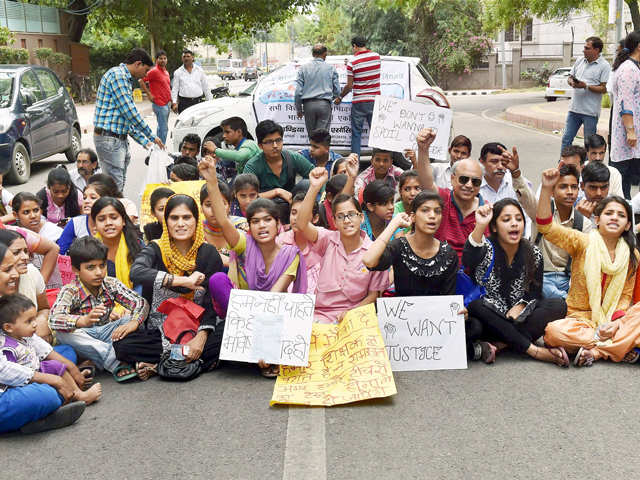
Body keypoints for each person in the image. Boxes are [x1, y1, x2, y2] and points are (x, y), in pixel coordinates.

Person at [199, 158, 306, 352]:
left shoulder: (290, 254)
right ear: (249, 226)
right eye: (255, 221)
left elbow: (275, 296)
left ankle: (253, 346)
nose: (262, 225)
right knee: (217, 280)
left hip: (273, 311)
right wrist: (212, 182)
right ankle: (246, 342)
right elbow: (223, 221)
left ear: (278, 224)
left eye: (267, 220)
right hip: (243, 314)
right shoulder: (244, 245)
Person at [113, 194, 224, 379]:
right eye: (174, 218)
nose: (180, 223)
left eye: (186, 217)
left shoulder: (207, 253)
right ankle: (189, 360)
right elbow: (137, 272)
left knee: (227, 335)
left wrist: (201, 337)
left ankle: (162, 363)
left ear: (196, 221)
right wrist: (181, 281)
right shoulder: (155, 249)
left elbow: (210, 304)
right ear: (166, 222)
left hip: (198, 329)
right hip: (162, 331)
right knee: (123, 345)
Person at [539, 169, 640, 366]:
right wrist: (545, 188)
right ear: (597, 219)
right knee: (553, 332)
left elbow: (626, 297)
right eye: (608, 213)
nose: (614, 218)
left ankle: (596, 352)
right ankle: (620, 346)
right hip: (581, 319)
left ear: (628, 225)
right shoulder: (582, 242)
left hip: (615, 321)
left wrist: (615, 323)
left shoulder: (632, 254)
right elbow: (546, 227)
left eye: (620, 215)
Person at [464, 199, 569, 366]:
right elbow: (468, 259)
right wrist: (480, 225)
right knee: (476, 309)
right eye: (506, 220)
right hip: (489, 318)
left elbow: (535, 292)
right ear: (494, 227)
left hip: (519, 319)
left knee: (558, 305)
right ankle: (535, 351)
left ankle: (502, 345)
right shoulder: (485, 248)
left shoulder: (533, 253)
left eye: (518, 219)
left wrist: (521, 306)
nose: (514, 224)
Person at [297, 167, 390, 324]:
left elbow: (373, 296)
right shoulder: (327, 240)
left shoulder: (373, 251)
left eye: (351, 215)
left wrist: (350, 314)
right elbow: (301, 224)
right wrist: (314, 187)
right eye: (341, 216)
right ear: (334, 221)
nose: (347, 220)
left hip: (356, 316)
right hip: (320, 316)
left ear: (361, 218)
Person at [49, 237, 149, 378]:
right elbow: (53, 319)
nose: (99, 272)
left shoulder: (110, 284)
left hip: (106, 334)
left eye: (102, 266)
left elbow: (140, 302)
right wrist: (82, 321)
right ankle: (115, 360)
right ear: (76, 270)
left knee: (130, 320)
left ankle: (98, 360)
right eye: (91, 267)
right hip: (82, 338)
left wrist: (134, 322)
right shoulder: (70, 290)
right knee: (62, 333)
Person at [0, 292, 89, 434]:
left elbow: (36, 343)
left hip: (30, 369)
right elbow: (5, 372)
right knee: (47, 395)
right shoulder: (8, 346)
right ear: (8, 327)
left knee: (66, 352)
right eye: (8, 269)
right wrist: (54, 379)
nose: (16, 273)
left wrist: (71, 367)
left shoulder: (16, 329)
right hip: (9, 389)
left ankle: (62, 392)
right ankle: (58, 400)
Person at [94, 48, 164, 191]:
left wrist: (146, 142)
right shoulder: (117, 75)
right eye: (145, 71)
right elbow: (130, 112)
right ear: (138, 64)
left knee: (118, 185)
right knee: (114, 187)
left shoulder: (124, 78)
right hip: (109, 139)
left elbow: (126, 120)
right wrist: (151, 135)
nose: (145, 76)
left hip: (117, 139)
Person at [415, 128, 487, 261]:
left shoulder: (486, 211)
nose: (469, 185)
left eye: (475, 181)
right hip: (439, 269)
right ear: (453, 179)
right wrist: (423, 149)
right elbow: (426, 184)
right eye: (464, 179)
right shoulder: (443, 198)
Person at [533, 165, 588, 299]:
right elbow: (525, 196)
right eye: (563, 187)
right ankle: (567, 301)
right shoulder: (540, 211)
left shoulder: (584, 223)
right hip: (542, 276)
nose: (570, 192)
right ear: (552, 191)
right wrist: (516, 173)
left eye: (574, 187)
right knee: (546, 289)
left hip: (568, 279)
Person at [244, 120, 314, 224]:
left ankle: (307, 218)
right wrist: (277, 191)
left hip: (291, 201)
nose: (275, 145)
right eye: (269, 142)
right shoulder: (252, 166)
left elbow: (316, 176)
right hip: (263, 207)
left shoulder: (292, 157)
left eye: (278, 140)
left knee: (308, 183)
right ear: (260, 145)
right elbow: (246, 197)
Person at [561, 36, 610, 151]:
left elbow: (604, 89)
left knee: (589, 143)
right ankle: (562, 165)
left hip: (590, 112)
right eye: (584, 47)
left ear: (596, 50)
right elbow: (570, 77)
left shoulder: (604, 66)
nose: (584, 50)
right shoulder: (579, 60)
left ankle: (589, 167)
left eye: (587, 48)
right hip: (574, 110)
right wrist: (572, 82)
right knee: (566, 139)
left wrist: (586, 86)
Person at [335, 36, 381, 156]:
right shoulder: (376, 57)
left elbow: (349, 86)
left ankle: (354, 163)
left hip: (359, 102)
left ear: (354, 46)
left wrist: (340, 97)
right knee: (375, 134)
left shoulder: (352, 63)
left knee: (356, 134)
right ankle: (380, 161)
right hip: (375, 101)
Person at [610, 31, 640, 200]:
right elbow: (625, 103)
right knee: (622, 183)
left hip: (633, 138)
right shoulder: (628, 69)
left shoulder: (634, 67)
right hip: (627, 139)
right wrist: (630, 130)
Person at [90, 197, 143, 287]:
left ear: (123, 221)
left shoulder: (138, 245)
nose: (108, 223)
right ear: (95, 224)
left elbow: (143, 282)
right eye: (101, 219)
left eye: (114, 218)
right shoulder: (88, 249)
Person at [200, 180, 248, 268]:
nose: (215, 210)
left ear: (229, 206)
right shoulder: (196, 231)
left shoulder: (243, 225)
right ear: (201, 208)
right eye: (208, 205)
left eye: (221, 204)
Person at [295, 44, 340, 135]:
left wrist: (299, 109)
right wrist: (331, 98)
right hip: (324, 105)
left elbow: (298, 92)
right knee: (322, 136)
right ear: (325, 54)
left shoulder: (303, 69)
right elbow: (337, 91)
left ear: (312, 54)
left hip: (308, 106)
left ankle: (313, 148)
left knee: (312, 135)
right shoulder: (331, 69)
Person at [57, 181, 110, 255]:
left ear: (105, 201)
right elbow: (61, 252)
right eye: (84, 198)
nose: (86, 201)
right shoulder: (75, 223)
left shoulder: (111, 224)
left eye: (93, 197)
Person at [139, 50, 172, 144]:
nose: (163, 60)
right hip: (159, 104)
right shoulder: (154, 71)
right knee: (164, 129)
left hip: (167, 104)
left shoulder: (166, 72)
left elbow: (167, 87)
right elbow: (141, 80)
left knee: (161, 128)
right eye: (160, 58)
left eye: (165, 58)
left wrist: (172, 101)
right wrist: (149, 94)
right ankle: (161, 149)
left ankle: (156, 148)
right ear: (156, 60)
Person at [171, 49, 212, 114]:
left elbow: (206, 87)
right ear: (182, 59)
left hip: (198, 102)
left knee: (198, 123)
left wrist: (209, 101)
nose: (186, 58)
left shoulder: (200, 70)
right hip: (184, 103)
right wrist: (174, 103)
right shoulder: (178, 72)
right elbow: (175, 89)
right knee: (185, 123)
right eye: (184, 57)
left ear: (192, 58)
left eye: (188, 56)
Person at [575, 160, 610, 229]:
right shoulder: (572, 208)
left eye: (604, 187)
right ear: (582, 186)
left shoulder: (620, 210)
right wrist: (579, 219)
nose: (599, 193)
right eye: (593, 187)